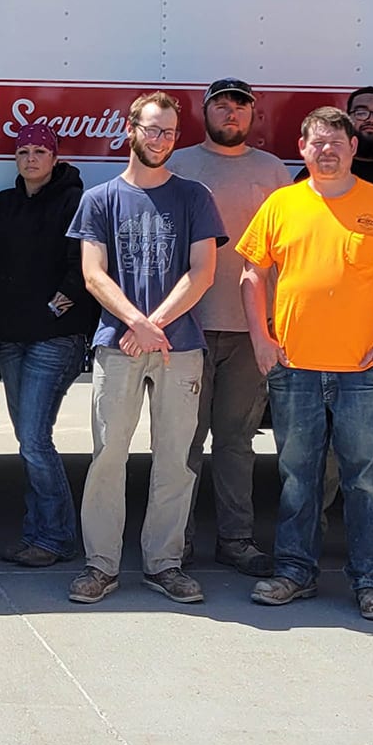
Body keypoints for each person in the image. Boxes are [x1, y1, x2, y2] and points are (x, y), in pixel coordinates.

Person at [237, 107, 373, 623]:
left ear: (351, 149)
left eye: (336, 143)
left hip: (363, 372)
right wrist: (261, 339)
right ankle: (294, 573)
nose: (327, 151)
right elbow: (252, 276)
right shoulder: (282, 204)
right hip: (294, 368)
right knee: (298, 477)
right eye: (316, 142)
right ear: (302, 148)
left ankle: (372, 580)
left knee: (365, 480)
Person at [67, 95, 222, 606]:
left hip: (180, 349)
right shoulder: (100, 198)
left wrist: (153, 325)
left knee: (175, 459)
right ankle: (101, 566)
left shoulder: (194, 196)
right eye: (152, 130)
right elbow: (93, 274)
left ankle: (164, 564)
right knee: (108, 456)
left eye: (170, 133)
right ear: (130, 129)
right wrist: (134, 322)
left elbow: (203, 273)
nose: (160, 140)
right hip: (118, 347)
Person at [167, 79, 292, 576]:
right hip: (187, 327)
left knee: (237, 441)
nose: (231, 112)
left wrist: (274, 321)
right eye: (222, 104)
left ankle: (236, 539)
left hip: (251, 329)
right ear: (206, 111)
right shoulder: (178, 165)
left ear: (252, 115)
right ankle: (176, 540)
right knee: (184, 439)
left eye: (240, 105)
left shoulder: (273, 171)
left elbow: (288, 251)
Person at [0, 122, 93, 570]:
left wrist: (53, 310)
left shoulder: (75, 201)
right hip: (10, 340)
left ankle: (54, 537)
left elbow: (81, 266)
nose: (31, 158)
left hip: (56, 337)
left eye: (39, 152)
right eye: (23, 151)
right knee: (28, 438)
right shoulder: (4, 204)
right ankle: (40, 532)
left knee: (33, 438)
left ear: (54, 157)